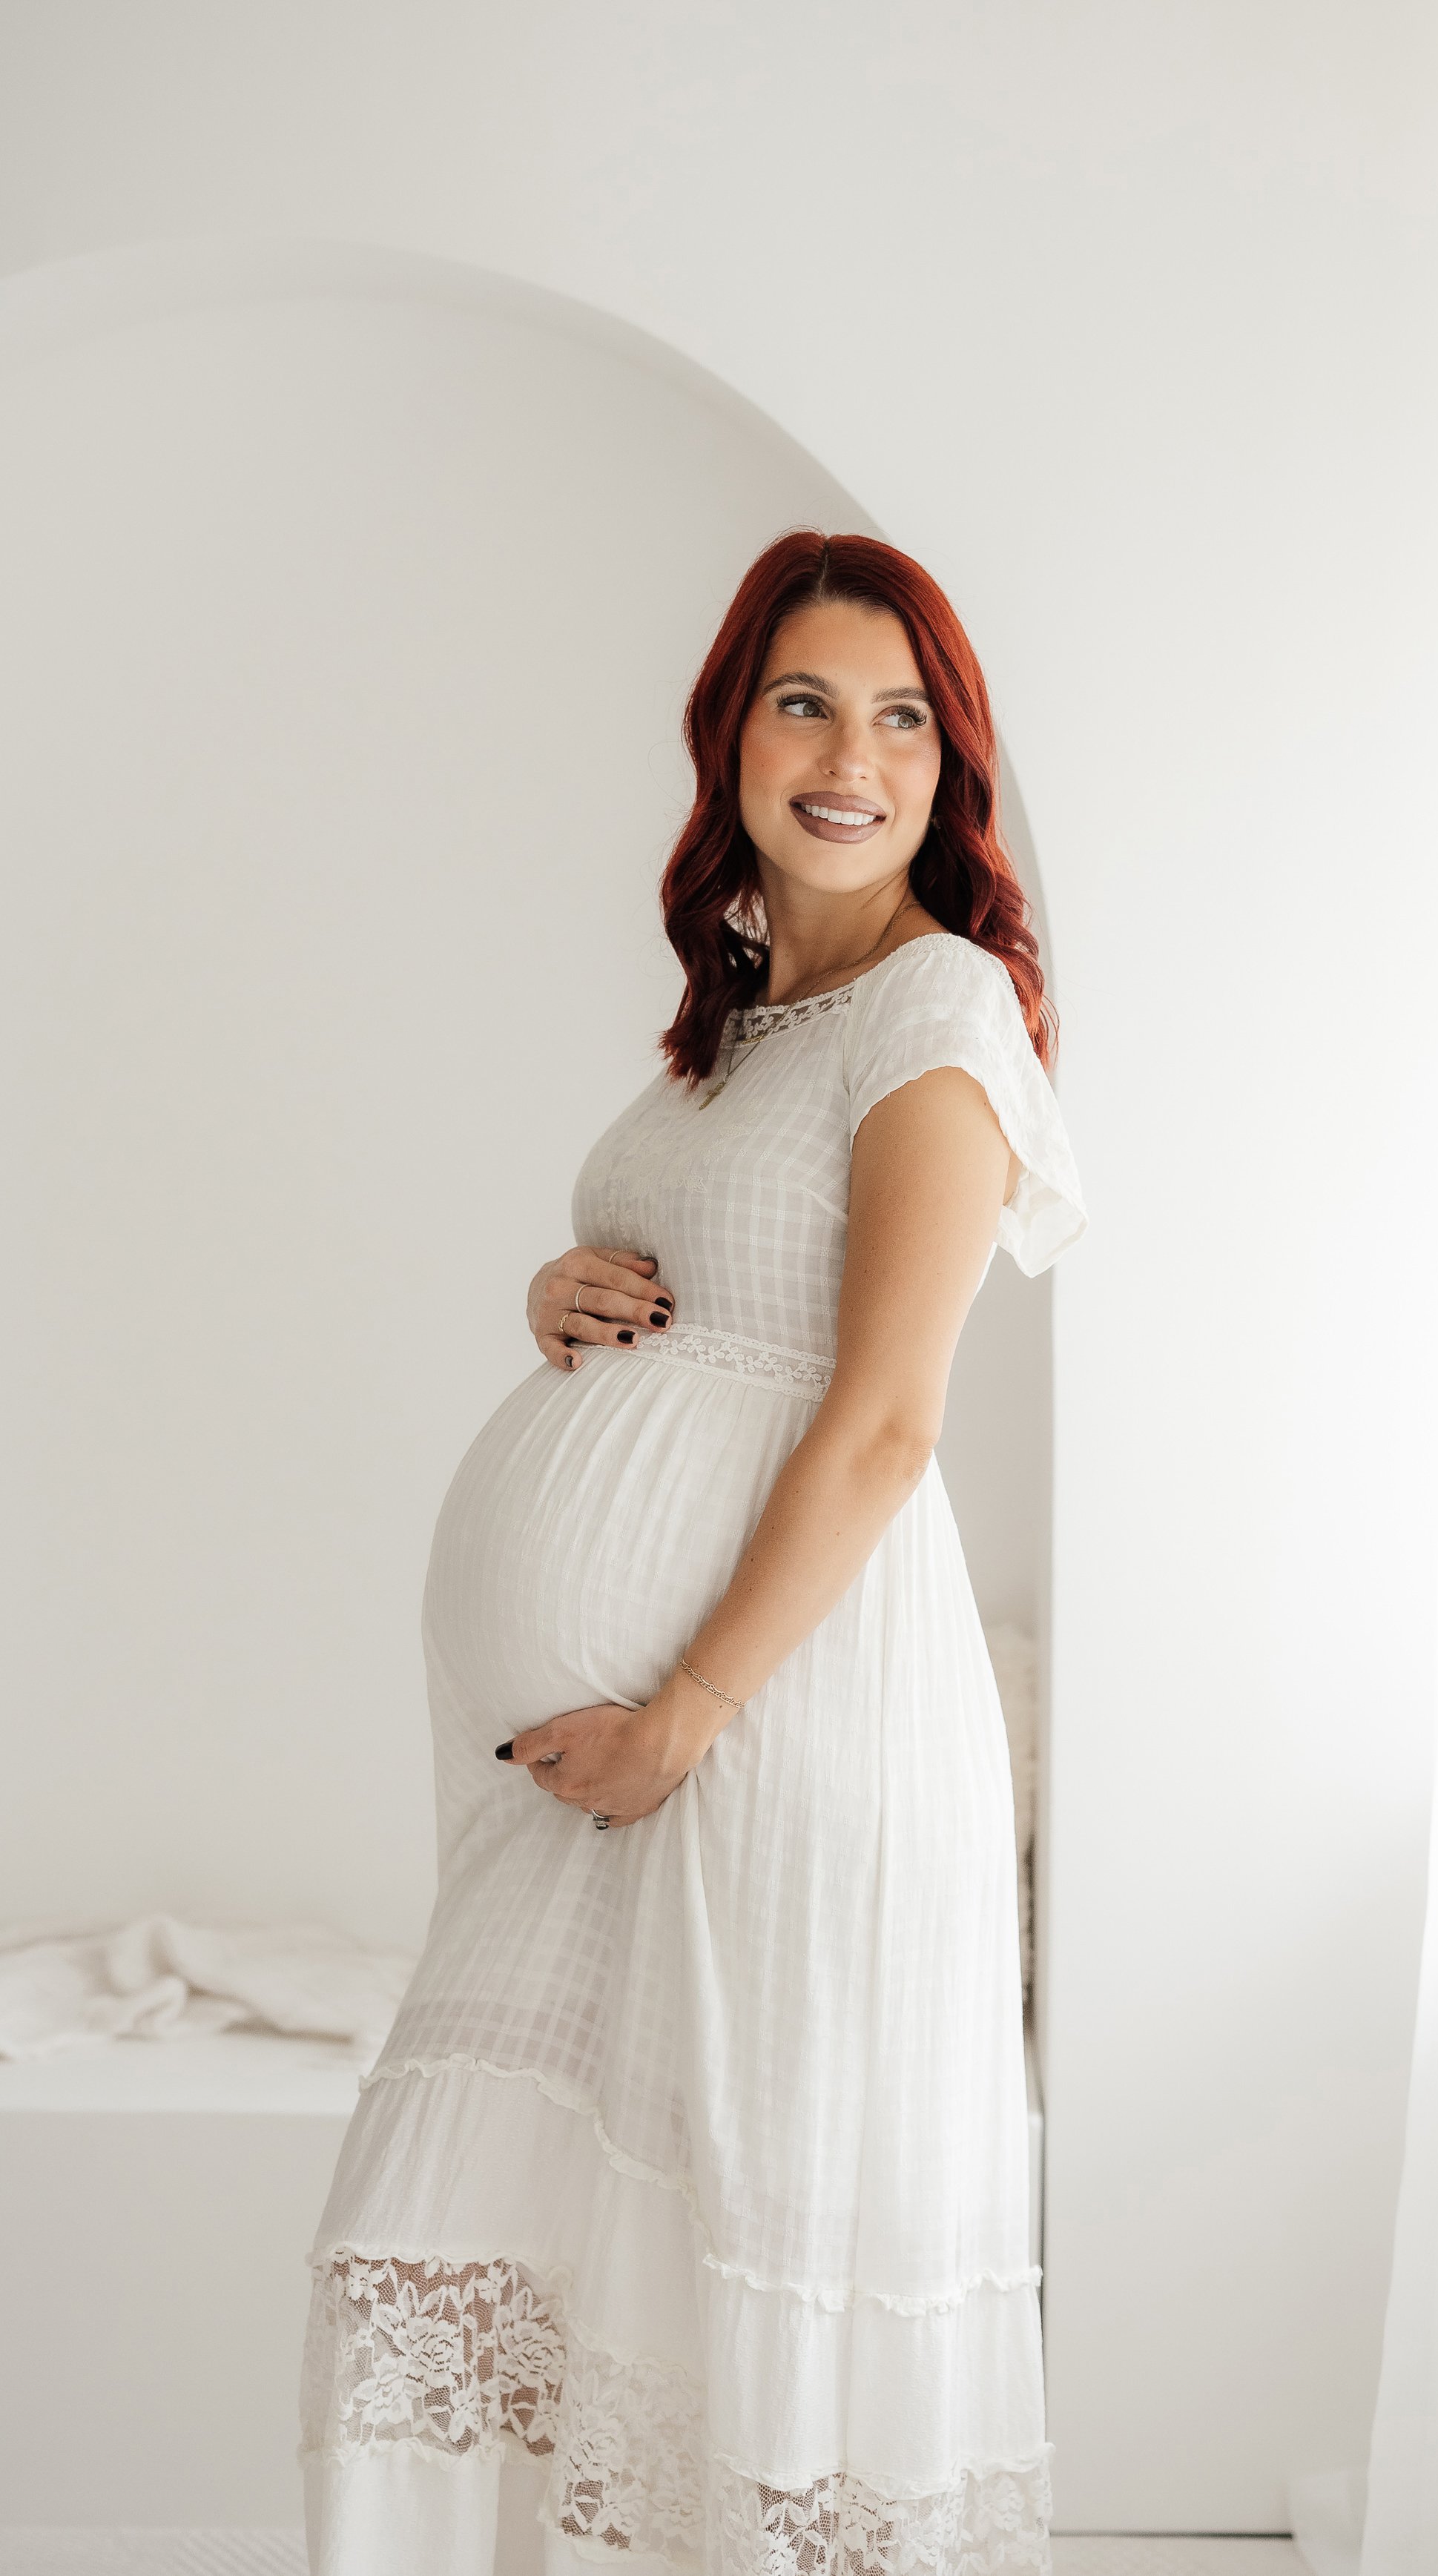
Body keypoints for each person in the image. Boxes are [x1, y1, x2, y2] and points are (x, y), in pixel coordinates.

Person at [299, 529, 1086, 2576]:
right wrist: (564, 1297)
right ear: (730, 727)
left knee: (731, 2302)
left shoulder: (936, 1008)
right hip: (620, 1767)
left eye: (904, 717)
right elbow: (725, 1307)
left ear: (951, 767)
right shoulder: (743, 1013)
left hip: (776, 1729)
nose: (851, 754)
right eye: (805, 700)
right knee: (475, 2252)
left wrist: (689, 1711)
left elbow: (887, 1412)